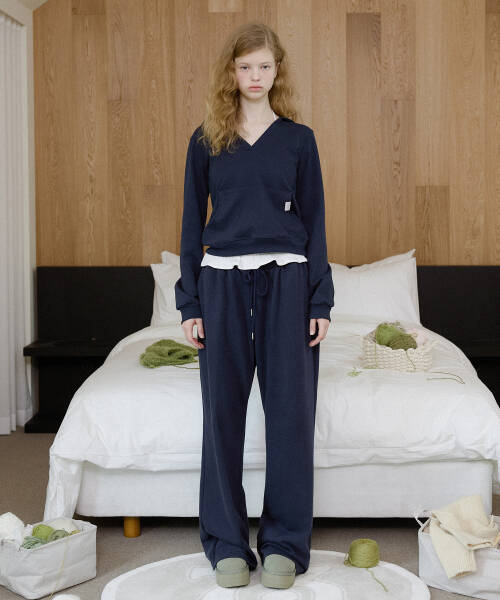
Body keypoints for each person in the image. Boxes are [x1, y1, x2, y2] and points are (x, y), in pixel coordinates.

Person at [174, 22, 334, 590]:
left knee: (290, 416)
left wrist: (320, 299)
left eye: (264, 66)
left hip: (289, 284)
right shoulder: (206, 140)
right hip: (220, 285)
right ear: (232, 72)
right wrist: (189, 302)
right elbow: (191, 224)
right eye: (245, 67)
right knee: (222, 415)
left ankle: (285, 544)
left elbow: (315, 222)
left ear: (277, 70)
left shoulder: (299, 140)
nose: (255, 76)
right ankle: (226, 544)